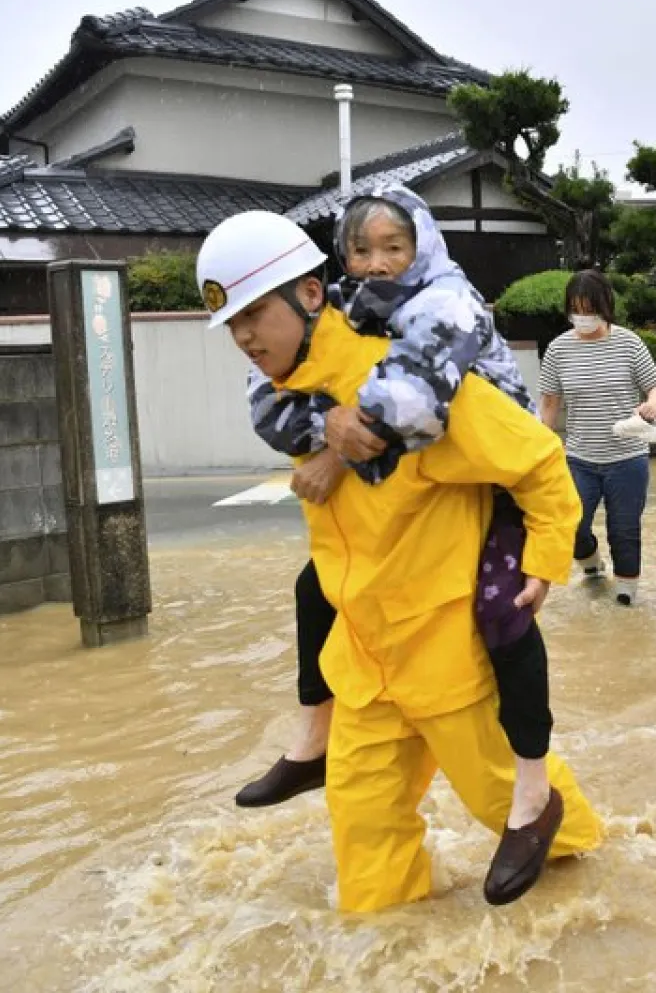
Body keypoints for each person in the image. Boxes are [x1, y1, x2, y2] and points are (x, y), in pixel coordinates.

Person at [197, 210, 602, 912]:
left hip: (448, 658)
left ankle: (603, 901)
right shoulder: (293, 399)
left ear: (310, 297)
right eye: (233, 323)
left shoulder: (415, 385)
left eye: (255, 313)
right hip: (365, 663)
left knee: (516, 809)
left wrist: (543, 558)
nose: (243, 336)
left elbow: (537, 455)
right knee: (363, 835)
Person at [537, 270, 656, 607]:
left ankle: (626, 598)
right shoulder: (558, 349)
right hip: (579, 458)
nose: (583, 317)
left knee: (624, 531)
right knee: (571, 525)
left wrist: (651, 404)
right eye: (576, 309)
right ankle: (592, 564)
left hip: (628, 458)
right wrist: (541, 445)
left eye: (589, 309)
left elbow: (655, 384)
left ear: (606, 306)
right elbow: (550, 402)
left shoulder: (628, 342)